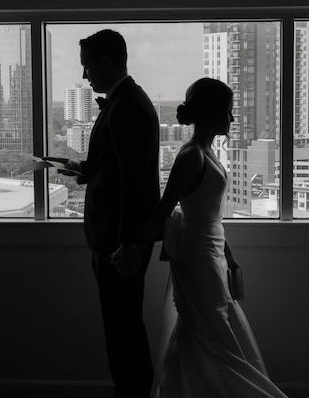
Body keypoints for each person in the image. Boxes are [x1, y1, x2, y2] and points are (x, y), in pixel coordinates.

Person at [112, 78, 288, 398]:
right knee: (211, 329)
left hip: (211, 251)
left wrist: (228, 252)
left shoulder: (205, 151)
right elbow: (164, 208)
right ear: (207, 113)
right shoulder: (191, 156)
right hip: (197, 258)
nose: (230, 119)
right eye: (226, 111)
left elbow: (209, 213)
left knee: (206, 330)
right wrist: (137, 248)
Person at [61, 30, 160, 398]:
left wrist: (128, 246)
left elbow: (134, 186)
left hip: (118, 244)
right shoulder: (125, 101)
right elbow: (120, 170)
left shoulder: (128, 106)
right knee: (123, 329)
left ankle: (132, 392)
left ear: (106, 61)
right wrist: (85, 169)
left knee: (123, 332)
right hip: (116, 239)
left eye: (87, 67)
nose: (86, 77)